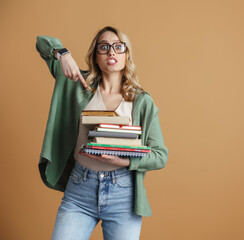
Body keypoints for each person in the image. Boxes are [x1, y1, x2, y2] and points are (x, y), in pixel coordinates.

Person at [36, 26, 168, 240]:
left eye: (118, 47)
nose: (111, 52)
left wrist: (123, 162)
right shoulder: (78, 84)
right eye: (104, 47)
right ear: (95, 57)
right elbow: (41, 42)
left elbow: (160, 155)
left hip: (123, 193)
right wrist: (62, 54)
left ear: (126, 55)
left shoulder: (142, 101)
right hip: (80, 189)